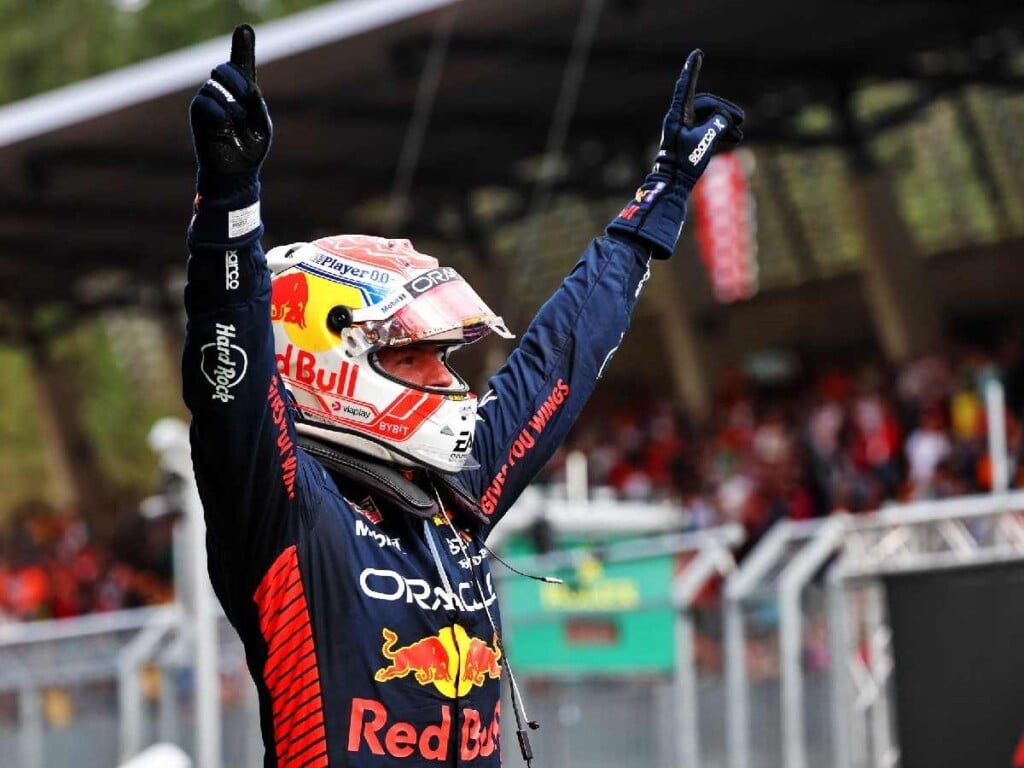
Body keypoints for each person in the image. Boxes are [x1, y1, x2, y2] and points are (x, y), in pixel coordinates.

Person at [183, 23, 743, 768]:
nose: (448, 381)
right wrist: (231, 204)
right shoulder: (282, 505)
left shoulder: (453, 495)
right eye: (413, 357)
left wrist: (660, 198)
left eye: (444, 358)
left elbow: (558, 362)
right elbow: (231, 373)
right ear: (324, 363)